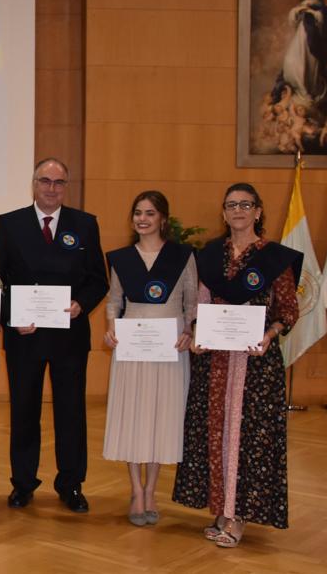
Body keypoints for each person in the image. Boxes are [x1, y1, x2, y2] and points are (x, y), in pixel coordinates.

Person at [173, 183, 300, 547]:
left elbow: (288, 310)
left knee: (248, 438)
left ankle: (239, 515)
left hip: (256, 364)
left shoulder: (275, 258)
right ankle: (220, 509)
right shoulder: (211, 255)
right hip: (215, 360)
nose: (238, 211)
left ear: (258, 211)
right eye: (231, 205)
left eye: (246, 205)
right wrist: (195, 331)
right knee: (215, 433)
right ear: (224, 212)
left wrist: (270, 334)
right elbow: (200, 304)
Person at [0, 157, 108, 513]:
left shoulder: (85, 224)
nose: (51, 188)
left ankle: (71, 484)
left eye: (59, 183)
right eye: (45, 181)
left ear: (65, 187)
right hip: (24, 336)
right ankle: (23, 483)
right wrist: (12, 317)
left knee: (71, 413)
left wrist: (80, 305)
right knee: (24, 412)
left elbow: (97, 280)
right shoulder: (9, 224)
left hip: (69, 337)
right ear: (34, 183)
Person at [101, 191, 197, 527]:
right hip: (131, 346)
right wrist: (112, 330)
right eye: (138, 212)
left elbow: (191, 303)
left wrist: (189, 332)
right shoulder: (122, 258)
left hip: (169, 347)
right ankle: (136, 490)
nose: (143, 219)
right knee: (134, 415)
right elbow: (114, 302)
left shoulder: (182, 256)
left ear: (163, 219)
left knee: (160, 417)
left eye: (150, 213)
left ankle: (152, 490)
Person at [273, 0, 327, 107]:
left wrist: (312, 12)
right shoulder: (301, 4)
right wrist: (298, 10)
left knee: (309, 64)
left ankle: (307, 91)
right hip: (300, 35)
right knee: (291, 60)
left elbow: (325, 20)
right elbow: (292, 21)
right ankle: (300, 89)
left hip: (313, 39)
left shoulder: (319, 6)